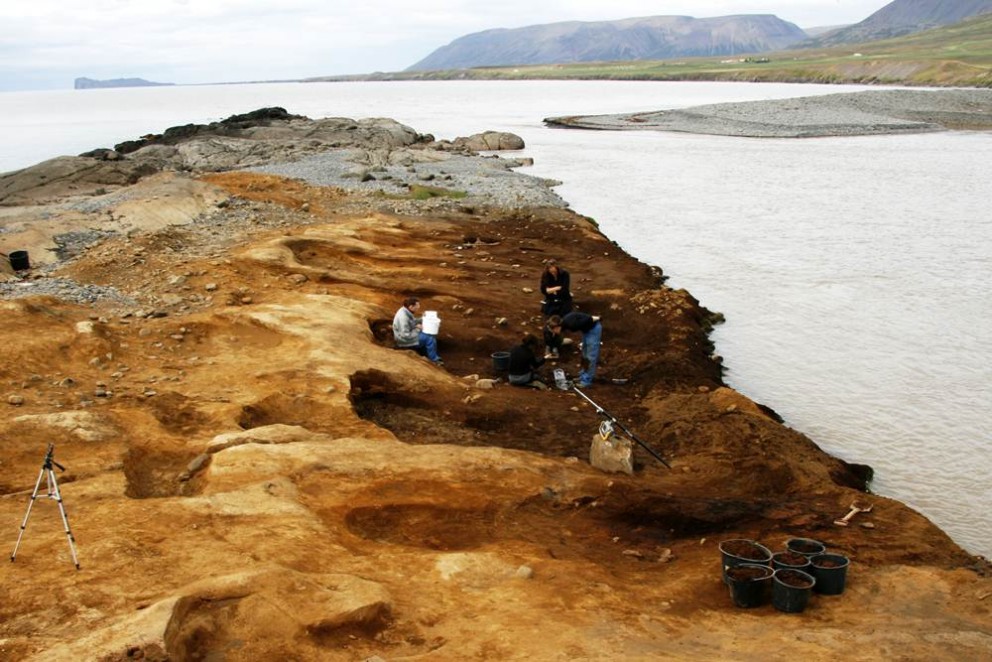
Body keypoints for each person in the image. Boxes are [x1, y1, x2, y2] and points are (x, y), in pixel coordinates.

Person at [547, 312, 601, 388]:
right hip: (587, 330)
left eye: (553, 331)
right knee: (585, 353)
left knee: (590, 356)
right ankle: (583, 376)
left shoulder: (572, 324)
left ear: (557, 327)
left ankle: (586, 381)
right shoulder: (564, 323)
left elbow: (589, 319)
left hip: (594, 329)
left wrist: (598, 318)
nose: (553, 333)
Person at [392, 296, 442, 365]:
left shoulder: (406, 311)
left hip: (408, 334)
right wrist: (417, 329)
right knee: (429, 338)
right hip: (403, 340)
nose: (418, 307)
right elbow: (405, 335)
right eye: (417, 306)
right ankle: (434, 360)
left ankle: (427, 353)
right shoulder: (403, 317)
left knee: (429, 333)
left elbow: (412, 322)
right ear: (411, 306)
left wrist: (423, 318)